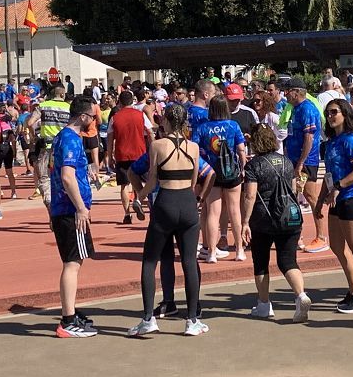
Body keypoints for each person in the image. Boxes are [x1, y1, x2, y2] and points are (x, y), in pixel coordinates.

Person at [127, 104, 208, 337]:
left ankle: (147, 319)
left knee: (150, 261)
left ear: (166, 122)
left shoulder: (157, 145)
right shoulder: (192, 147)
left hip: (166, 204)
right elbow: (194, 182)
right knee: (189, 261)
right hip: (188, 204)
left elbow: (152, 180)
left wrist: (138, 198)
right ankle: (192, 320)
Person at [241, 124, 312, 323]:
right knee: (288, 260)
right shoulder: (286, 162)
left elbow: (250, 195)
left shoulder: (254, 165)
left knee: (261, 261)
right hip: (289, 217)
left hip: (263, 219)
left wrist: (244, 221)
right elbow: (292, 190)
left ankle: (264, 304)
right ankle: (300, 295)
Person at [316, 98, 353, 314]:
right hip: (336, 198)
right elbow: (329, 174)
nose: (330, 117)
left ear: (344, 114)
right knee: (337, 247)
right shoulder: (330, 143)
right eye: (328, 113)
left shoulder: (350, 140)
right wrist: (321, 198)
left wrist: (339, 186)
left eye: (334, 112)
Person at [50, 96, 99, 338]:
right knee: (73, 262)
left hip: (65, 208)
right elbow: (67, 176)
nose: (94, 121)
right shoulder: (70, 139)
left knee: (75, 261)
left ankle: (71, 313)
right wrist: (80, 207)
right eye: (92, 117)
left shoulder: (63, 137)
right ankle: (68, 320)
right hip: (70, 211)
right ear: (83, 117)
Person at [193, 95, 248, 262]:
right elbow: (240, 149)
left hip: (211, 172)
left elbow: (195, 149)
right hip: (231, 172)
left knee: (212, 212)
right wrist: (243, 168)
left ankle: (211, 252)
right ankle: (239, 249)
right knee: (234, 211)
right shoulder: (233, 125)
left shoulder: (202, 127)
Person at [285, 76, 327, 253]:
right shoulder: (295, 109)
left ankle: (322, 236)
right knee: (293, 197)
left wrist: (301, 162)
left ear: (296, 92)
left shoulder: (307, 109)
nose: (285, 94)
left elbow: (309, 138)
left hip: (306, 161)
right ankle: (297, 235)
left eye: (288, 91)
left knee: (311, 196)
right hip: (295, 159)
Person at [106, 90, 151, 224]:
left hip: (122, 154)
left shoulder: (115, 117)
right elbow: (150, 132)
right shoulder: (140, 115)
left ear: (119, 102)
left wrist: (110, 155)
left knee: (124, 185)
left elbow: (109, 138)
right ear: (133, 101)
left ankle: (127, 214)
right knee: (144, 182)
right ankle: (140, 201)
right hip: (140, 153)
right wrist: (153, 148)